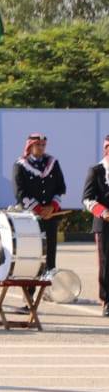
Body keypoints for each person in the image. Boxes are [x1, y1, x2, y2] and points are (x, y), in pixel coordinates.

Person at [13, 132, 68, 271]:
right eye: (38, 145)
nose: (41, 147)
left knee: (50, 251)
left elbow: (61, 188)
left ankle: (49, 278)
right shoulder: (20, 165)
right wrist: (38, 209)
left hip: (50, 215)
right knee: (33, 251)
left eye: (43, 145)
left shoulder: (52, 163)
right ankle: (32, 282)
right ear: (30, 146)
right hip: (30, 217)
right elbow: (20, 193)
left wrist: (52, 207)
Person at [83, 135, 109, 315]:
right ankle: (106, 300)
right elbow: (87, 199)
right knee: (106, 263)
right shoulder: (96, 171)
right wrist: (103, 212)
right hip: (104, 224)